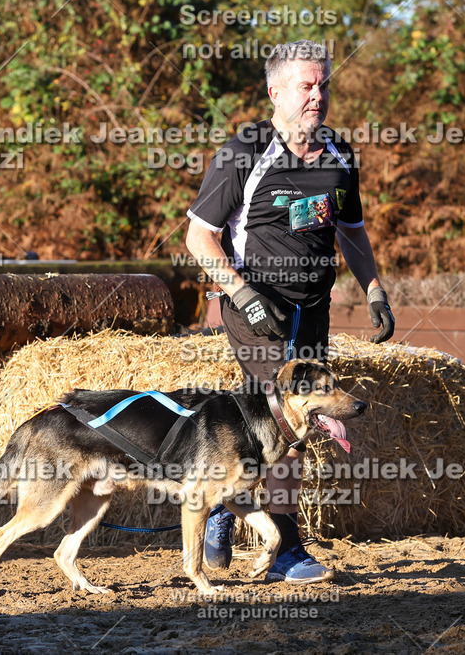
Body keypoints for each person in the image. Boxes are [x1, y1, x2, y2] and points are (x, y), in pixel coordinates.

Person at [184, 39, 394, 584]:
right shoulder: (245, 152)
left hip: (312, 312)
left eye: (323, 85)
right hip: (255, 307)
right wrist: (243, 294)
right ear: (275, 91)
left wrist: (374, 290)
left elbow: (351, 231)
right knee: (288, 419)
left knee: (286, 428)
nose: (317, 96)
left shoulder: (339, 156)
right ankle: (287, 546)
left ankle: (225, 506)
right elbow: (199, 238)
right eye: (306, 86)